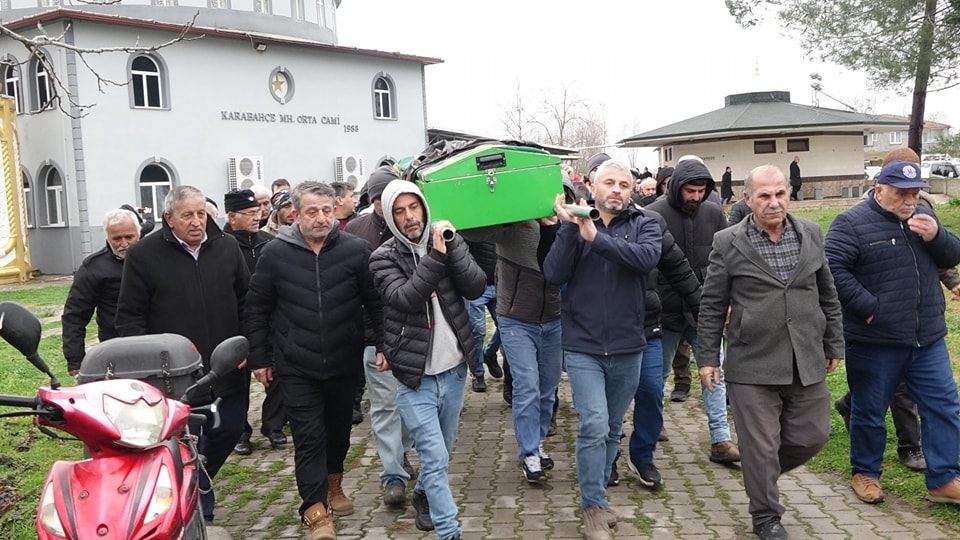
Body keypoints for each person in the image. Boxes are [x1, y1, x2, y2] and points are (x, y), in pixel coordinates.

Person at [698, 165, 844, 540]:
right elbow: (713, 304)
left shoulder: (810, 232)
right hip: (752, 360)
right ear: (747, 199)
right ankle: (766, 516)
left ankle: (759, 474)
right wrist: (708, 358)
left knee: (814, 435)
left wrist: (833, 343)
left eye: (780, 193)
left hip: (804, 356)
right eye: (764, 195)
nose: (774, 202)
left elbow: (827, 293)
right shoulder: (727, 242)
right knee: (759, 446)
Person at [245, 181, 384, 540]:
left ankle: (334, 483)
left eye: (326, 210)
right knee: (308, 437)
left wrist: (383, 344)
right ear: (295, 214)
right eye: (312, 211)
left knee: (338, 432)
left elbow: (376, 304)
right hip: (295, 364)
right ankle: (315, 511)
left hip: (344, 359)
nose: (321, 218)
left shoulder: (356, 251)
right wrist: (260, 356)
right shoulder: (276, 253)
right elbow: (257, 307)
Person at [826, 160, 960, 506]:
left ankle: (944, 479)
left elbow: (952, 255)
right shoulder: (851, 223)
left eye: (915, 193)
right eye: (901, 193)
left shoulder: (924, 219)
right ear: (879, 188)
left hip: (927, 337)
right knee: (870, 411)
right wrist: (870, 308)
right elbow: (832, 270)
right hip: (876, 341)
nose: (909, 201)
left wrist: (937, 235)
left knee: (944, 406)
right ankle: (866, 473)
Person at [115, 185, 250, 524]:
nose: (196, 222)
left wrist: (248, 344)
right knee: (187, 441)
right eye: (187, 215)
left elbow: (248, 299)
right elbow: (130, 317)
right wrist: (144, 366)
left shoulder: (227, 247)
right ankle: (197, 509)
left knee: (230, 430)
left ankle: (197, 483)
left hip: (227, 365)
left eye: (201, 213)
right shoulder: (143, 255)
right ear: (168, 218)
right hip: (174, 374)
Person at [544, 160, 661, 540]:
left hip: (629, 344)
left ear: (631, 191)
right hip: (583, 345)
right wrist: (568, 230)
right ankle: (592, 506)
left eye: (623, 184)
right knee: (593, 424)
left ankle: (600, 498)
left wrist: (597, 238)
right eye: (608, 183)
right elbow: (553, 275)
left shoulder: (645, 224)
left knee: (612, 428)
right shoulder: (575, 226)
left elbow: (644, 259)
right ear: (591, 186)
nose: (616, 190)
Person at [369, 179, 485, 540]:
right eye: (399, 211)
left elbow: (476, 286)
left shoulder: (447, 238)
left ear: (424, 205)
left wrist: (453, 247)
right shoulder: (382, 258)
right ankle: (450, 532)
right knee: (434, 458)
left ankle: (422, 495)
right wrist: (435, 256)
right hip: (413, 377)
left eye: (413, 207)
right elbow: (406, 297)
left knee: (443, 452)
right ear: (390, 217)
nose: (409, 217)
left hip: (453, 372)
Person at [644, 157, 740, 464]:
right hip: (666, 313)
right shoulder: (653, 214)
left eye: (701, 191)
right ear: (675, 188)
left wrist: (728, 298)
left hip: (706, 313)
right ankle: (651, 426)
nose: (696, 197)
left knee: (715, 374)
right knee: (655, 377)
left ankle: (721, 440)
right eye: (690, 191)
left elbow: (727, 258)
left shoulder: (713, 213)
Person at [343, 166, 416, 507]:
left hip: (418, 337)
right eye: (380, 200)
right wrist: (375, 342)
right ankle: (392, 476)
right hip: (377, 339)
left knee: (413, 407)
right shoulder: (356, 233)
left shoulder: (418, 224)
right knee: (386, 407)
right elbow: (358, 296)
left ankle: (400, 452)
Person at [222, 189, 284, 455]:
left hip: (271, 321)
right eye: (249, 214)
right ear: (232, 217)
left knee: (279, 374)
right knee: (237, 381)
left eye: (258, 212)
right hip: (236, 322)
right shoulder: (222, 246)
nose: (256, 217)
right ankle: (240, 431)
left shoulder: (269, 242)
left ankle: (274, 426)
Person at [61, 208, 141, 376]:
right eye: (117, 239)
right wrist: (75, 360)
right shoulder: (93, 268)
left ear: (138, 233)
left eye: (129, 237)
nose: (124, 243)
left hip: (157, 342)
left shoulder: (155, 257)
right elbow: (75, 315)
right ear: (107, 237)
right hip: (115, 347)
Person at [464, 239, 502, 392]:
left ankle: (490, 353)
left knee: (507, 327)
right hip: (477, 286)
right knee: (478, 330)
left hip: (500, 284)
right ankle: (478, 373)